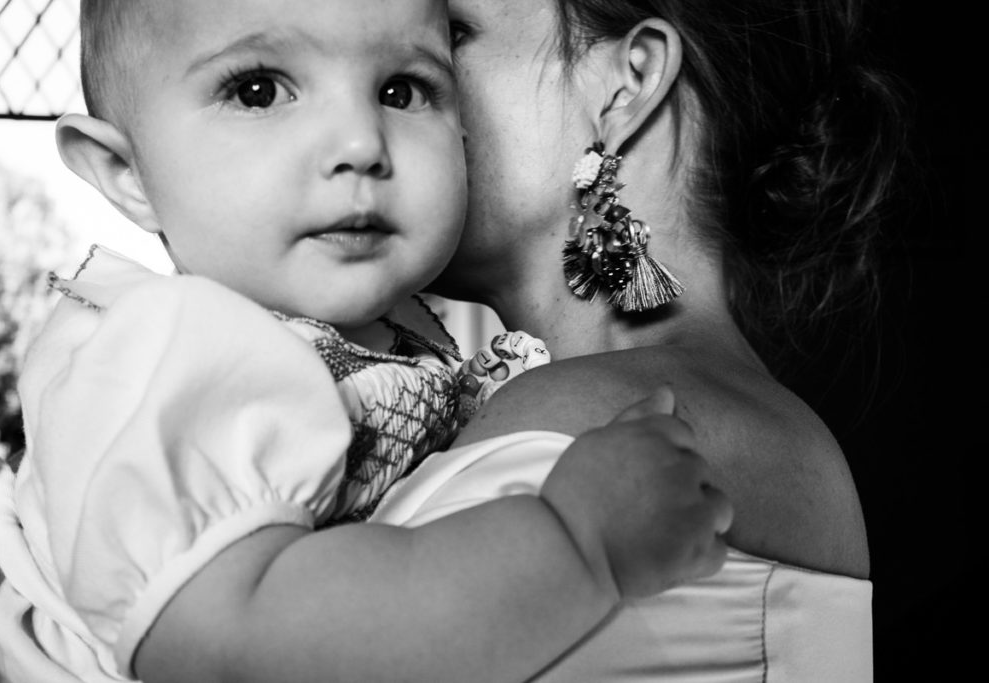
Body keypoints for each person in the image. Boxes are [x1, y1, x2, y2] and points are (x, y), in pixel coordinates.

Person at [0, 0, 733, 682]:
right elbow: (239, 645)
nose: (361, 141)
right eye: (258, 89)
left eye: (403, 90)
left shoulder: (399, 346)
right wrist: (576, 540)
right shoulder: (167, 351)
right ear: (124, 171)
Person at [362, 0, 908, 680]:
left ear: (629, 83)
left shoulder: (594, 424)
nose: (378, 85)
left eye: (451, 33)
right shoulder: (735, 428)